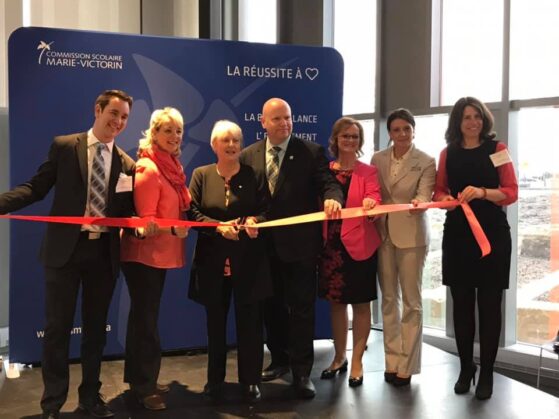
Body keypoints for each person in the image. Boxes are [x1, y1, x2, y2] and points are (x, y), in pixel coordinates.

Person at [0, 90, 135, 419]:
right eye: (114, 113)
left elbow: (127, 212)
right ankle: (52, 404)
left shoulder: (127, 164)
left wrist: (146, 225)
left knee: (95, 332)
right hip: (64, 253)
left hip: (103, 255)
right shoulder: (64, 146)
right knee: (57, 330)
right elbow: (36, 188)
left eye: (124, 117)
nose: (118, 121)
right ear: (98, 110)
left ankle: (90, 398)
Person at [240, 98, 343, 399]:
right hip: (262, 248)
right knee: (271, 308)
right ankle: (279, 360)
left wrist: (332, 197)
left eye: (287, 117)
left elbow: (328, 183)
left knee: (301, 310)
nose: (284, 123)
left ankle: (301, 372)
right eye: (277, 119)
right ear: (263, 122)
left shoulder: (310, 152)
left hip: (300, 248)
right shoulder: (248, 155)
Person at [434, 97, 517, 400]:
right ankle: (466, 366)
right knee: (462, 306)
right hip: (457, 235)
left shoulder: (498, 150)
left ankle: (487, 372)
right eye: (467, 117)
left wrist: (482, 192)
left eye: (477, 116)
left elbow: (511, 192)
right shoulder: (447, 153)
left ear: (484, 120)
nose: (473, 122)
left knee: (491, 307)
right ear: (457, 121)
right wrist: (444, 199)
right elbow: (439, 190)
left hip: (492, 236)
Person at [188, 120, 272, 403]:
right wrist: (217, 227)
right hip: (212, 263)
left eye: (236, 140)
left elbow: (266, 210)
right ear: (214, 145)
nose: (232, 145)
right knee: (215, 325)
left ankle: (251, 380)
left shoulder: (254, 175)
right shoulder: (200, 175)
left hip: (249, 262)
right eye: (225, 140)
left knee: (250, 324)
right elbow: (192, 213)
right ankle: (214, 380)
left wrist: (255, 221)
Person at [120, 107, 190, 411]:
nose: (174, 136)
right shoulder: (149, 168)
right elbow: (145, 222)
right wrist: (172, 228)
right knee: (145, 322)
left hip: (158, 255)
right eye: (168, 130)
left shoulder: (170, 166)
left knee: (143, 319)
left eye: (178, 131)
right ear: (154, 133)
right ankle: (144, 387)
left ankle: (141, 379)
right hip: (143, 256)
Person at [371, 108, 436, 387]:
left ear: (413, 131)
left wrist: (421, 202)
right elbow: (374, 192)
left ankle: (408, 366)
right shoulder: (377, 158)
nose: (402, 134)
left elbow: (424, 194)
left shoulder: (426, 161)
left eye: (406, 129)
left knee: (411, 301)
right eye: (396, 130)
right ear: (389, 133)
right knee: (388, 299)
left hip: (412, 235)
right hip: (382, 234)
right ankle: (392, 361)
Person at [318, 117, 382, 388]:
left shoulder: (368, 172)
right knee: (336, 304)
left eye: (355, 136)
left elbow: (375, 198)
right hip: (331, 248)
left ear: (360, 141)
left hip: (361, 247)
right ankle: (339, 357)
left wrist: (371, 204)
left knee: (361, 304)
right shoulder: (324, 172)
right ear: (336, 139)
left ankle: (357, 361)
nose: (350, 140)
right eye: (345, 136)